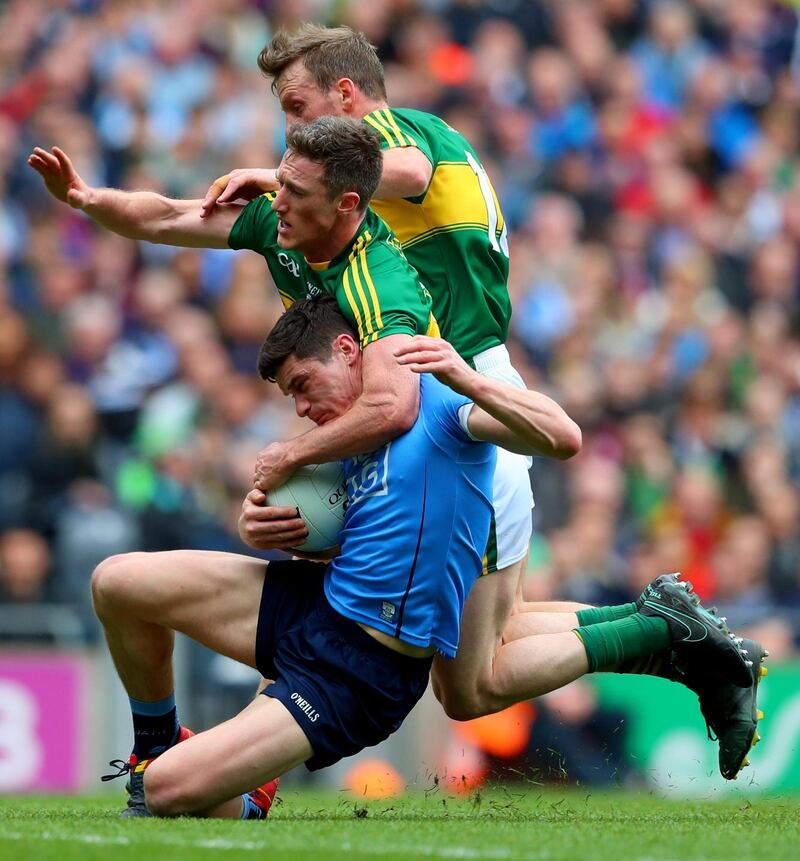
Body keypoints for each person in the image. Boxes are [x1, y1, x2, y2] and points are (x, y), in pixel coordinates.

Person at [196, 24, 765, 780]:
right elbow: (183, 220)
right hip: (462, 403)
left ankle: (658, 631)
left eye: (297, 106)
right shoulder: (370, 208)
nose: (291, 130)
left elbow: (400, 169)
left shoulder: (405, 139)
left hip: (464, 411)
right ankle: (668, 628)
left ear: (346, 92)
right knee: (489, 636)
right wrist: (94, 198)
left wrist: (279, 177)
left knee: (473, 682)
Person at [91, 296, 747, 820]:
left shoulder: (437, 407)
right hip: (311, 604)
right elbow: (324, 526)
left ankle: (245, 791)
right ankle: (153, 748)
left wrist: (465, 376)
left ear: (349, 351)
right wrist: (257, 523)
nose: (300, 407)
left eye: (303, 384)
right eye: (289, 397)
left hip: (356, 671)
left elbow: (563, 435)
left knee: (173, 794)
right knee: (117, 581)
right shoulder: (340, 430)